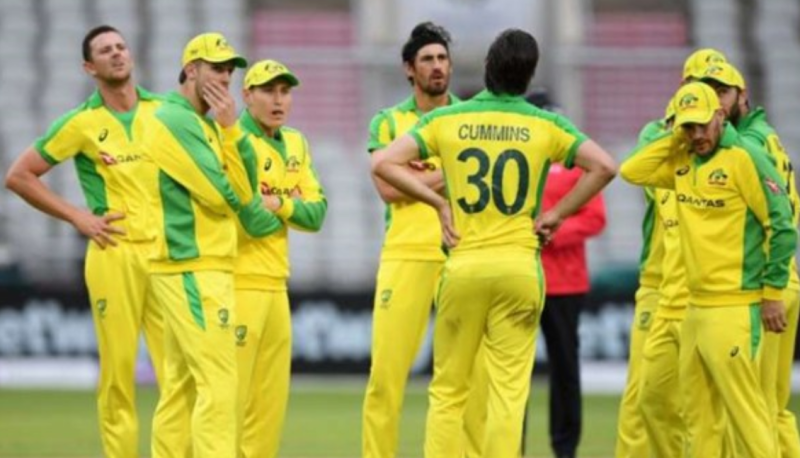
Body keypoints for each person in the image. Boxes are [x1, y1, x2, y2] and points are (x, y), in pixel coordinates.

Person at [372, 29, 617, 458]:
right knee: (506, 394)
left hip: (464, 266)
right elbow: (605, 166)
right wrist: (557, 214)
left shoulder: (450, 119)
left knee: (448, 392)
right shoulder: (545, 122)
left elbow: (383, 163)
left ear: (487, 68)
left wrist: (436, 202)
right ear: (529, 75)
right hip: (519, 268)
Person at [4, 25, 166, 458]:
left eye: (121, 46)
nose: (116, 54)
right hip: (114, 253)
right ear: (89, 67)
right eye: (105, 50)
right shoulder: (81, 123)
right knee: (118, 374)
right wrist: (78, 216)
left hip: (168, 257)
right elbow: (18, 176)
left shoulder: (164, 111)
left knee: (179, 373)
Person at [620, 81, 795, 458]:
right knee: (699, 421)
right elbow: (632, 170)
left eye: (702, 124)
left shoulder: (744, 156)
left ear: (720, 115)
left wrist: (772, 293)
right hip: (694, 310)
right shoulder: (683, 162)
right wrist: (675, 137)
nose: (697, 134)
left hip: (735, 307)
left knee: (747, 417)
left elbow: (782, 226)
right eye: (689, 127)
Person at [144, 32, 283, 458]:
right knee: (219, 384)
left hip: (194, 265)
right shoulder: (174, 119)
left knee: (181, 387)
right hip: (195, 265)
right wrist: (232, 141)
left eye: (229, 70)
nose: (225, 78)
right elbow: (221, 195)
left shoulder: (206, 125)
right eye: (216, 68)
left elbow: (243, 190)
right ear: (191, 70)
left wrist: (230, 132)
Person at [361, 21, 460, 458]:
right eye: (427, 59)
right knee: (385, 379)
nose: (437, 66)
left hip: (460, 253)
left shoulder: (468, 118)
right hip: (406, 254)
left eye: (442, 58)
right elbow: (387, 188)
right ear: (409, 69)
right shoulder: (388, 122)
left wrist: (414, 180)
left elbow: (399, 182)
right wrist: (451, 173)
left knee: (462, 380)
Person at [700, 61, 800, 457]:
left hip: (766, 282)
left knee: (753, 408)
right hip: (782, 277)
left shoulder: (746, 145)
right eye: (708, 94)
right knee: (772, 406)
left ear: (742, 95)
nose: (717, 104)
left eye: (722, 93)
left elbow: (780, 222)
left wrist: (771, 289)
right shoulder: (765, 134)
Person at [234, 59, 328, 458]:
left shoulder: (296, 143)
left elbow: (317, 214)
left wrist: (278, 204)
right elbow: (251, 220)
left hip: (276, 284)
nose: (278, 100)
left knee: (269, 405)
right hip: (236, 282)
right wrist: (289, 208)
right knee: (230, 401)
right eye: (268, 91)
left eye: (285, 91)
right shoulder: (233, 140)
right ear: (247, 95)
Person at [530, 91, 607, 458]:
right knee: (511, 371)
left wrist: (551, 230)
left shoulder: (578, 165)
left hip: (564, 282)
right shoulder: (522, 160)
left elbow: (596, 218)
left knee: (564, 368)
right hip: (524, 278)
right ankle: (508, 446)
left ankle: (565, 449)